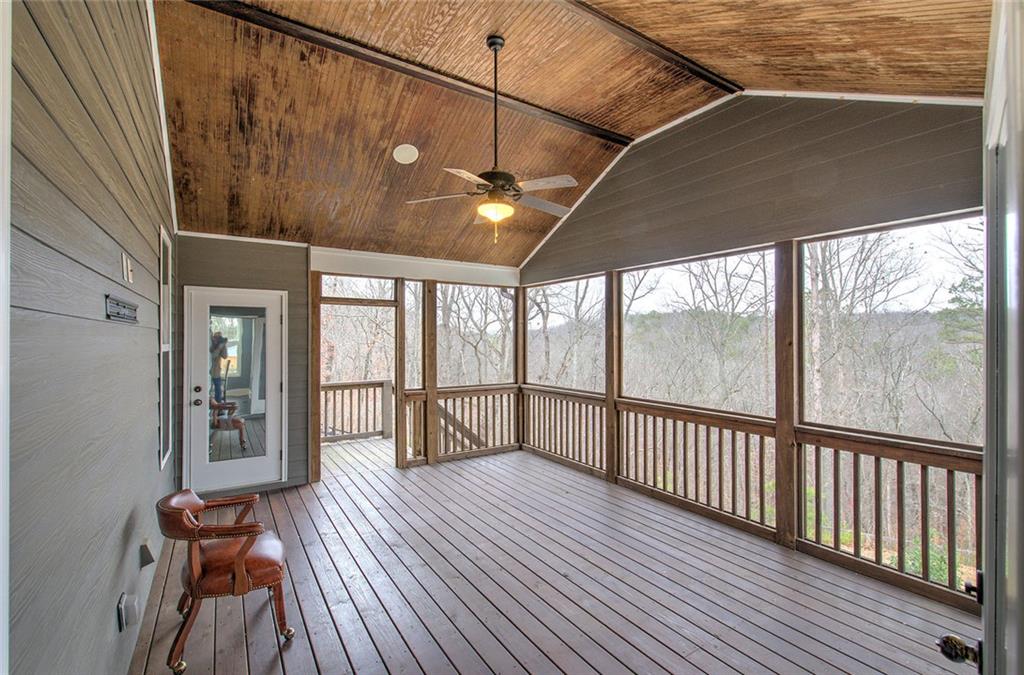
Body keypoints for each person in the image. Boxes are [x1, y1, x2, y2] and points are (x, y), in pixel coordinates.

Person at [209, 331, 229, 403]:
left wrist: (223, 345)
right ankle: (214, 403)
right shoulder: (211, 344)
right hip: (211, 370)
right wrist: (219, 347)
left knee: (218, 387)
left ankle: (218, 404)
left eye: (219, 337)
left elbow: (225, 356)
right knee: (213, 387)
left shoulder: (219, 345)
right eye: (215, 337)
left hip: (216, 370)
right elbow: (213, 355)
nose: (216, 339)